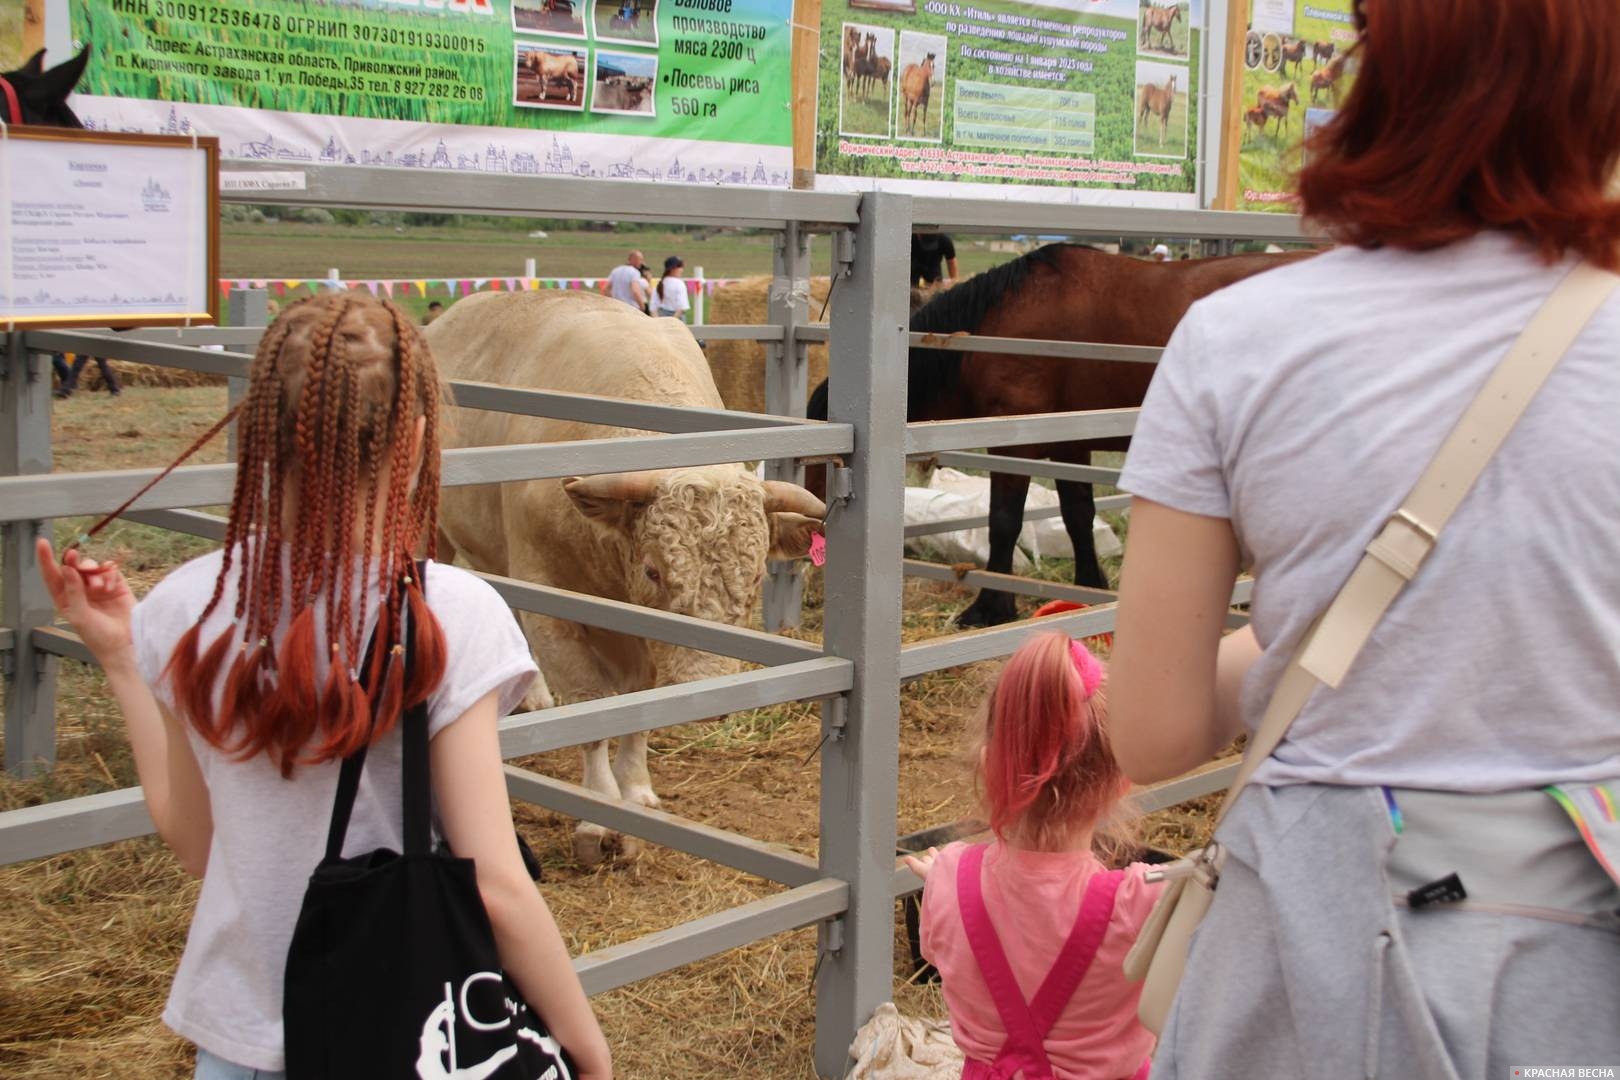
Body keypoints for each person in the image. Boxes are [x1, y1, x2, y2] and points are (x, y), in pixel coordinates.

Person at [1108, 0, 1620, 1076]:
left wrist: (1311, 643)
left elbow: (1151, 734)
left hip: (1310, 962)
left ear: (1381, 74)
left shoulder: (1237, 338)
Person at [35, 294, 612, 1080]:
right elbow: (497, 885)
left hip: (239, 1042)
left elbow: (198, 844)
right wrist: (585, 1041)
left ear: (262, 435)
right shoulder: (451, 614)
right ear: (413, 444)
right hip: (402, 1031)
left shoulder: (181, 608)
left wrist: (119, 657)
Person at [904, 633, 1161, 1080]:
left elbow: (950, 939)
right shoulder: (1143, 906)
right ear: (1122, 780)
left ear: (989, 767)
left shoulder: (948, 882)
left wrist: (944, 883)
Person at [52, 352, 122, 398]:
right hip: (93, 342)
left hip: (91, 343)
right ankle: (66, 390)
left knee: (77, 367)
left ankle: (66, 390)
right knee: (102, 366)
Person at [652, 255, 689, 320]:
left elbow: (653, 308)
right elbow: (681, 308)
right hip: (677, 319)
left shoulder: (660, 283)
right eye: (680, 266)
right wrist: (672, 321)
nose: (682, 269)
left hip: (661, 318)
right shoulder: (679, 283)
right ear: (672, 269)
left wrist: (657, 322)